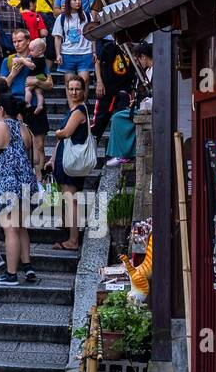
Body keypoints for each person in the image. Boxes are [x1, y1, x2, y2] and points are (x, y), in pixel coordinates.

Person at [0, 92, 39, 287]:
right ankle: (27, 266)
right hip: (26, 184)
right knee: (21, 227)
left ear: (2, 109)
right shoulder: (26, 130)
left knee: (10, 229)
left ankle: (11, 274)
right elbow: (35, 159)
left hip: (6, 184)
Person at [53, 75, 92, 252]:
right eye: (71, 89)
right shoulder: (76, 109)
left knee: (71, 200)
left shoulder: (78, 112)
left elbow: (65, 133)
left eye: (77, 89)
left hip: (70, 162)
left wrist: (58, 132)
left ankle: (73, 239)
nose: (74, 92)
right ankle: (71, 234)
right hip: (66, 160)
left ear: (84, 91)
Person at [93, 35, 137, 140]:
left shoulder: (132, 50)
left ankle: (120, 150)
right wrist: (99, 82)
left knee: (122, 118)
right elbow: (97, 63)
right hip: (107, 88)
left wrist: (132, 91)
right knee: (99, 121)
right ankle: (92, 146)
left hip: (124, 89)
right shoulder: (108, 47)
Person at [53, 0, 96, 94]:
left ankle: (82, 107)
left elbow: (93, 35)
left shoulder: (87, 16)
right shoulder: (61, 18)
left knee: (84, 81)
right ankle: (73, 108)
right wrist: (58, 54)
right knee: (69, 83)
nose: (78, 2)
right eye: (75, 0)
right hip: (67, 54)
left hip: (85, 53)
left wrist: (94, 51)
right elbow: (58, 37)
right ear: (68, 2)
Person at [23, 37, 53, 177]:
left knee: (39, 145)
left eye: (20, 41)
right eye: (14, 41)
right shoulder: (10, 60)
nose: (17, 44)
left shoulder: (37, 60)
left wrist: (34, 81)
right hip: (19, 106)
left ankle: (40, 176)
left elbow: (50, 84)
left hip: (35, 105)